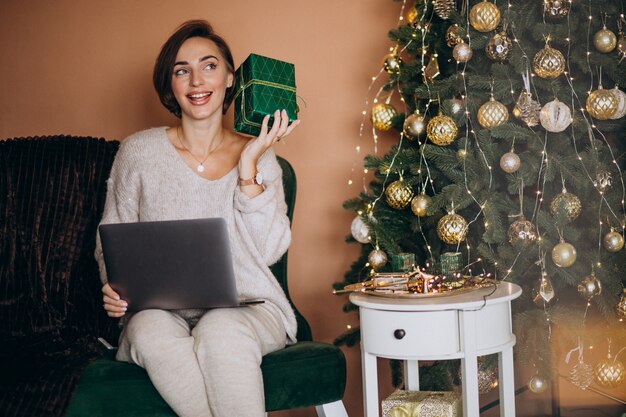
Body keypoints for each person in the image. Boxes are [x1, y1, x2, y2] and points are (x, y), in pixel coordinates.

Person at [95, 19, 300, 417]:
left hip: (249, 309)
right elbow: (111, 238)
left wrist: (247, 168)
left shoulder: (260, 155)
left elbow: (270, 250)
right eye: (181, 70)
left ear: (229, 78)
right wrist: (113, 286)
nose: (196, 80)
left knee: (221, 331)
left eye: (209, 66)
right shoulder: (137, 153)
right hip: (156, 311)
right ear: (170, 85)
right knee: (149, 333)